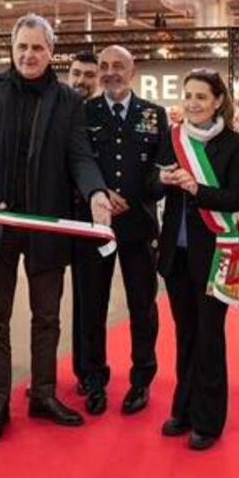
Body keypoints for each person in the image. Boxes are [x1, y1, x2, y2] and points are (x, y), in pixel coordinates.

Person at [0, 13, 112, 444]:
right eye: (22, 46)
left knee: (48, 318)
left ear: (51, 52)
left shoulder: (68, 102)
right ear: (12, 48)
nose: (29, 55)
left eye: (38, 47)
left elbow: (80, 157)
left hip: (46, 226)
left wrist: (96, 192)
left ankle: (43, 394)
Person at [155, 68, 239, 450]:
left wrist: (199, 190)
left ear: (218, 101)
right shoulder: (173, 139)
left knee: (210, 336)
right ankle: (183, 409)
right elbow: (149, 183)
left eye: (201, 97)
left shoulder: (235, 145)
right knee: (186, 334)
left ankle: (208, 421)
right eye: (189, 95)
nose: (193, 103)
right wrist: (161, 181)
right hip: (175, 254)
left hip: (216, 251)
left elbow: (238, 198)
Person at [76, 44, 167, 416]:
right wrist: (100, 192)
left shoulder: (153, 114)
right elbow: (75, 162)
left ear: (133, 71)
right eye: (104, 66)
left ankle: (141, 379)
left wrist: (143, 192)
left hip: (138, 225)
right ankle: (93, 379)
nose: (110, 72)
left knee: (142, 306)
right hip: (95, 227)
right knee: (91, 307)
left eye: (118, 65)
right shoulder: (84, 113)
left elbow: (161, 166)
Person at [63, 49, 100, 396]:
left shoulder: (102, 114)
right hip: (56, 215)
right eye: (76, 73)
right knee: (46, 305)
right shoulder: (57, 109)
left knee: (87, 299)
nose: (81, 81)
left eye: (89, 75)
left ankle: (88, 370)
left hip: (91, 219)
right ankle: (45, 376)